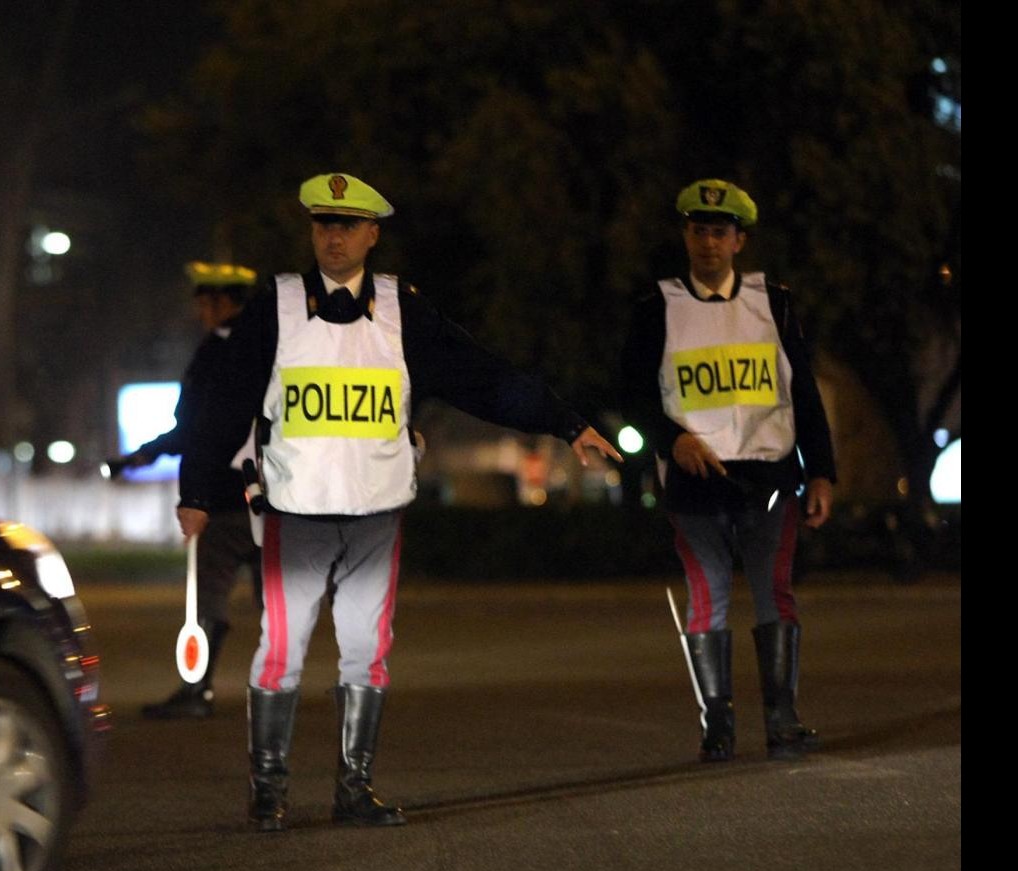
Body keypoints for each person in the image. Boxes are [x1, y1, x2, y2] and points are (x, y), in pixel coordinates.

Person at [176, 172, 622, 831]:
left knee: (367, 650)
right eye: (324, 223)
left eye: (348, 224)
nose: (334, 234)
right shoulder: (276, 304)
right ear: (312, 230)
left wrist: (565, 420)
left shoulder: (401, 310)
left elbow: (480, 374)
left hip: (377, 515)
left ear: (372, 234)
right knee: (281, 650)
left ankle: (354, 789)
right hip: (295, 512)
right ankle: (268, 792)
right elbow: (223, 405)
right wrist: (197, 490)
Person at [619, 178, 837, 763]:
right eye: (698, 231)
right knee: (707, 597)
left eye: (720, 232)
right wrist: (672, 439)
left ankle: (781, 719)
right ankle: (718, 727)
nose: (708, 242)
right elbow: (631, 394)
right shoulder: (657, 308)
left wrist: (823, 472)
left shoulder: (775, 304)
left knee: (774, 593)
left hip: (767, 476)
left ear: (740, 241)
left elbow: (805, 394)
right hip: (694, 482)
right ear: (686, 235)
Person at [112, 261, 263, 719]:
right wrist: (145, 455)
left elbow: (197, 427)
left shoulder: (218, 353)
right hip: (273, 497)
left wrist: (150, 456)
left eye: (204, 303)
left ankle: (197, 691)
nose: (200, 312)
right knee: (278, 601)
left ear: (222, 302)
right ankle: (283, 692)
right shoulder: (267, 349)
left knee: (208, 599)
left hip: (221, 495)